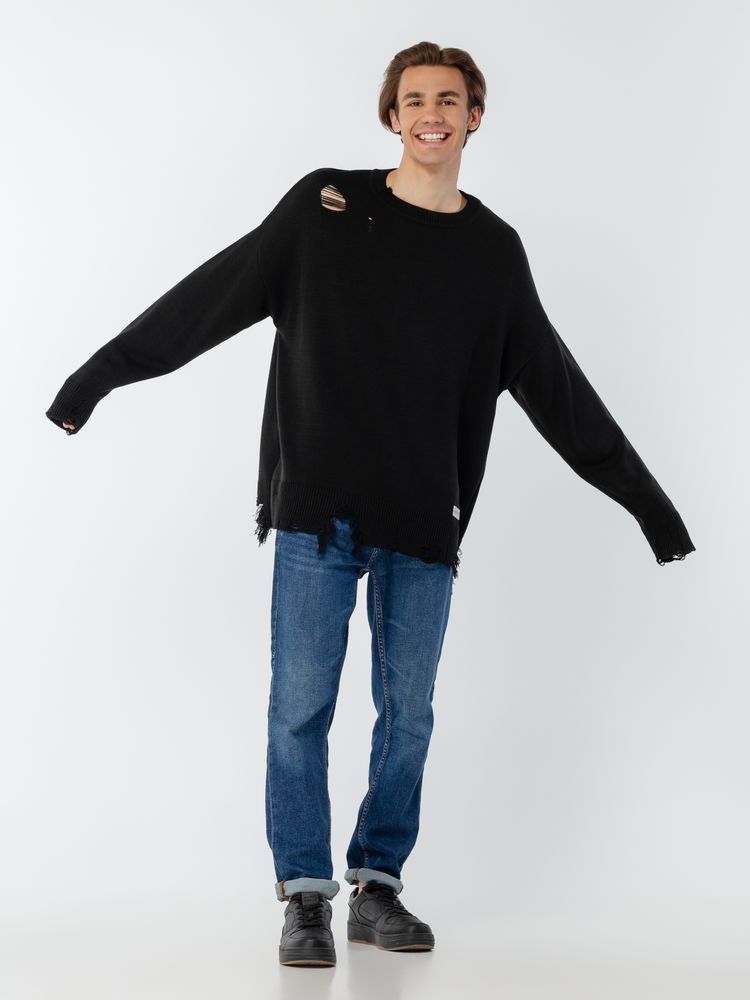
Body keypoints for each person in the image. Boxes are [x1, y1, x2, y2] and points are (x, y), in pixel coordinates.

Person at [46, 41, 696, 968]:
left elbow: (558, 388)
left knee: (409, 715)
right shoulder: (324, 207)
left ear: (475, 117)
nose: (433, 114)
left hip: (424, 519)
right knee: (299, 709)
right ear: (392, 116)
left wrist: (651, 508)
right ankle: (305, 896)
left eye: (451, 100)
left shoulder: (493, 253)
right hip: (319, 509)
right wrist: (95, 379)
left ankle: (377, 886)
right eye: (415, 99)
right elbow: (211, 295)